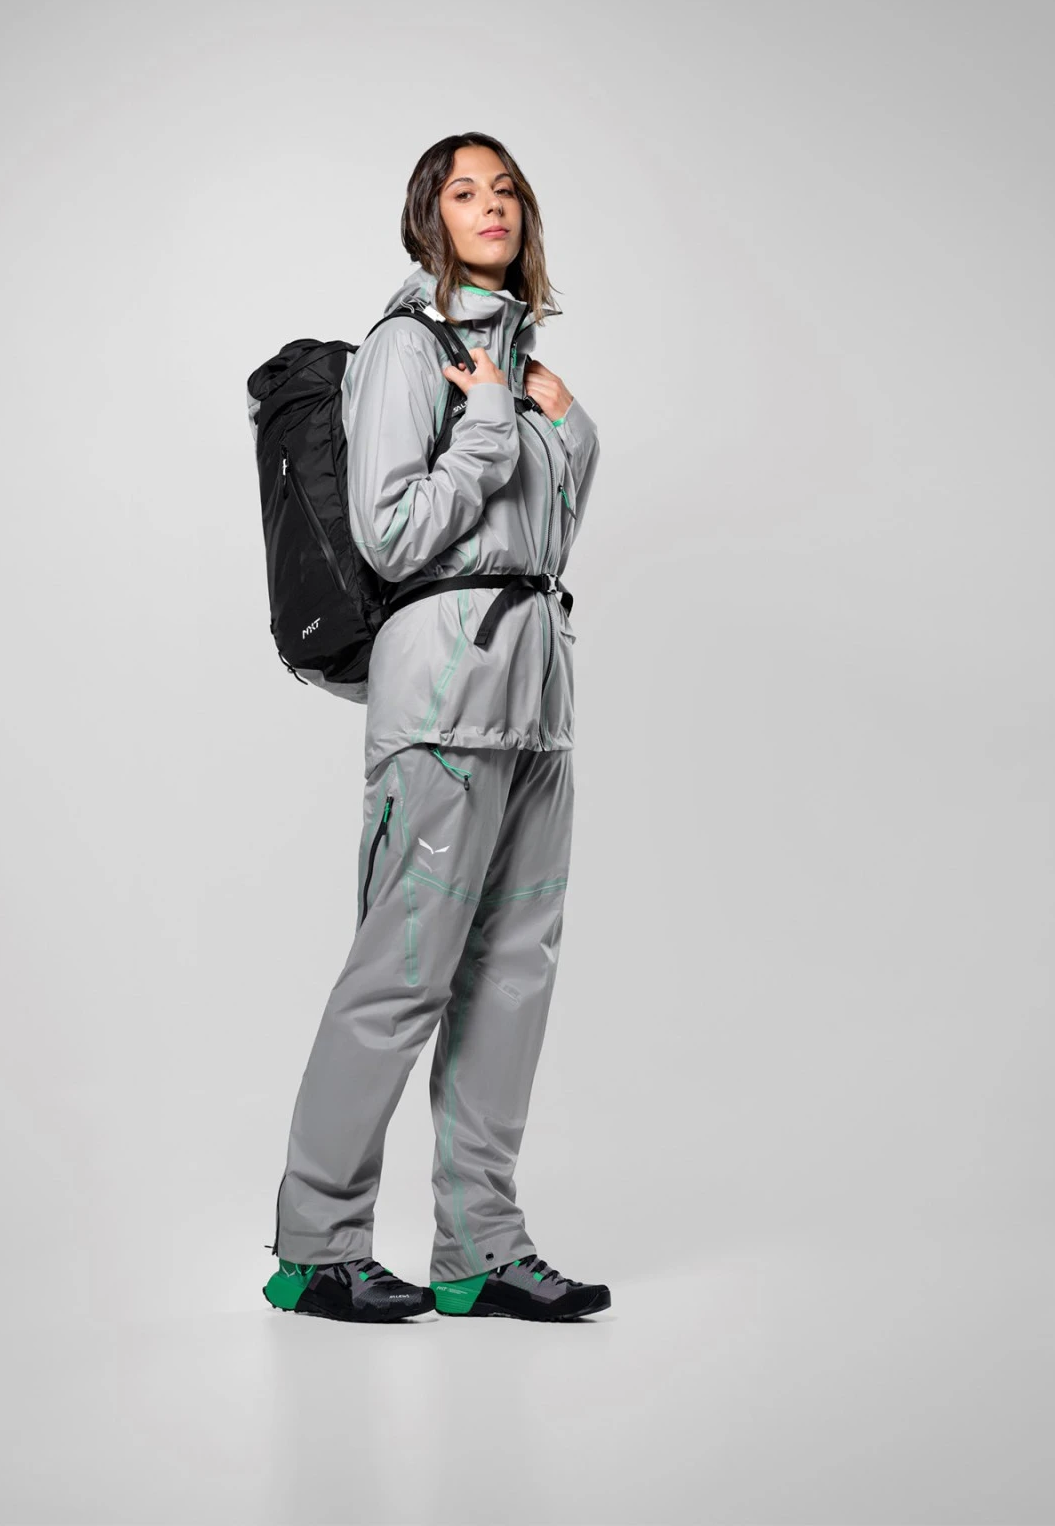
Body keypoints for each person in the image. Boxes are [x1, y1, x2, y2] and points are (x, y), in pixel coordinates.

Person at [262, 133, 608, 1324]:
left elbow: (538, 541)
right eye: (464, 192)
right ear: (429, 218)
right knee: (401, 975)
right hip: (444, 696)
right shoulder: (409, 347)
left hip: (536, 702)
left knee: (511, 979)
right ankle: (317, 1246)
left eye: (506, 190)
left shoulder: (517, 362)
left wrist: (561, 425)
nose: (490, 206)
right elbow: (393, 532)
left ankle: (481, 1248)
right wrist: (494, 427)